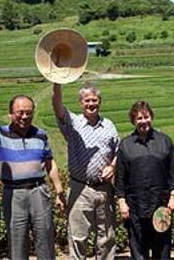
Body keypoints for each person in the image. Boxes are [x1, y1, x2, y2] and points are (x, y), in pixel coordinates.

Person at [0, 94, 66, 260]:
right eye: (20, 112)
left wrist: (59, 191)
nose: (25, 117)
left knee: (46, 238)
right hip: (13, 194)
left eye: (29, 112)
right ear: (10, 114)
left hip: (39, 191)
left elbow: (50, 164)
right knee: (17, 240)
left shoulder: (41, 134)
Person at [52, 83, 119, 260]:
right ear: (81, 103)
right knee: (78, 237)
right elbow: (57, 106)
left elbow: (118, 152)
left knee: (106, 238)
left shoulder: (109, 125)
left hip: (104, 189)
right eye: (87, 100)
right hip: (80, 189)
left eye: (94, 100)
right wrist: (56, 81)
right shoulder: (73, 123)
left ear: (100, 102)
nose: (91, 104)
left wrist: (112, 166)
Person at [115, 101, 174, 260]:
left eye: (146, 117)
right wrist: (121, 202)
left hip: (161, 205)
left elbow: (173, 173)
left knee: (162, 248)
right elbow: (120, 178)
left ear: (151, 117)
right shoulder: (125, 145)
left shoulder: (164, 141)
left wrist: (173, 197)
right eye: (139, 118)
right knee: (138, 249)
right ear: (133, 120)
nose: (143, 121)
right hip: (135, 205)